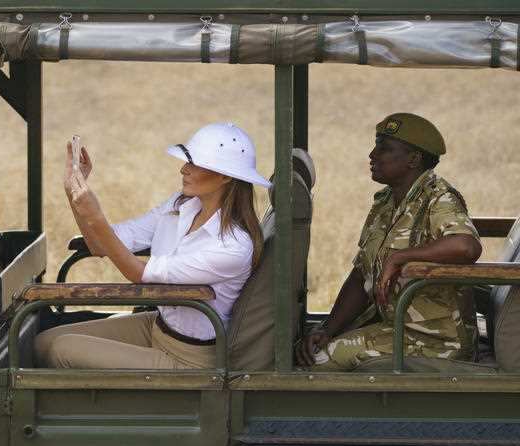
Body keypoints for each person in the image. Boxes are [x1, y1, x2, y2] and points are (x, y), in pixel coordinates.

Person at [35, 122, 270, 369]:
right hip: (158, 328)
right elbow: (100, 244)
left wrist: (95, 216)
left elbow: (138, 273)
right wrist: (73, 193)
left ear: (224, 176)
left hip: (190, 359)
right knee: (43, 342)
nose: (183, 169)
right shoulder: (180, 205)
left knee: (62, 350)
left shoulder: (233, 246)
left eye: (195, 163)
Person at [296, 113, 482, 371]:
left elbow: (466, 246)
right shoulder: (386, 201)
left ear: (414, 159)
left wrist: (400, 258)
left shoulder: (438, 197)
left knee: (318, 361)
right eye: (376, 145)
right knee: (310, 346)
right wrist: (328, 328)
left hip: (436, 338)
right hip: (396, 326)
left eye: (384, 148)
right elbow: (362, 275)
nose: (373, 154)